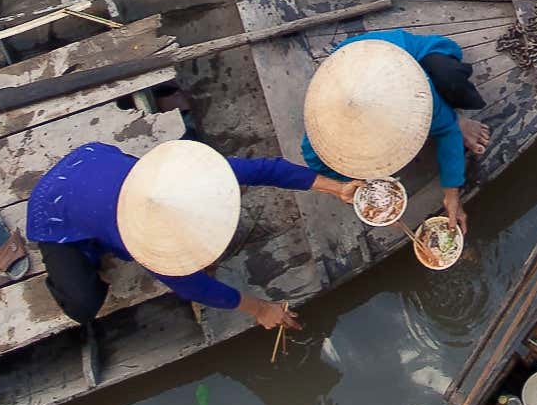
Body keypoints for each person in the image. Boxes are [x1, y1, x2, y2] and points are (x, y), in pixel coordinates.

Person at [21, 139, 359, 331]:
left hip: (91, 158)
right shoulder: (141, 240)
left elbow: (267, 169)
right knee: (83, 306)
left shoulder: (196, 177)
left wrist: (337, 189)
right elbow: (195, 287)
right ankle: (85, 254)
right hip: (54, 208)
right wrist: (261, 309)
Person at [300, 31, 493, 232]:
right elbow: (314, 159)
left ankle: (455, 116)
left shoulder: (416, 97)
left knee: (449, 79)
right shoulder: (323, 121)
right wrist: (351, 187)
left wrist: (452, 196)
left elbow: (447, 134)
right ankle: (449, 116)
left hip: (410, 57)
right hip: (351, 68)